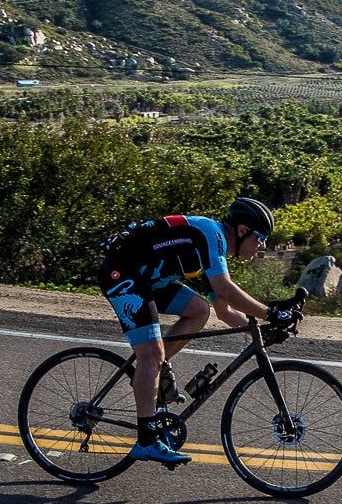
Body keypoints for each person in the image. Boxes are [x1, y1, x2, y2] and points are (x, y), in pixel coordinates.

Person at [97, 197, 301, 466]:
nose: (262, 245)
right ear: (242, 231)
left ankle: (153, 370)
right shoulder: (211, 235)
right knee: (151, 355)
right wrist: (271, 313)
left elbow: (224, 311)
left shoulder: (210, 249)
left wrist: (259, 332)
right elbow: (226, 290)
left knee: (198, 310)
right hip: (123, 274)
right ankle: (146, 441)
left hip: (147, 280)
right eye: (261, 237)